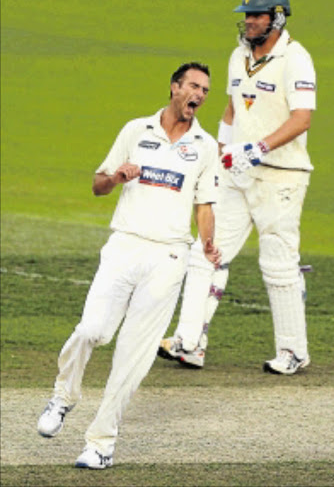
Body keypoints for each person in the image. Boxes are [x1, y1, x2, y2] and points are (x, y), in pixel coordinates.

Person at [37, 62, 221, 469]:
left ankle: (100, 443)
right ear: (175, 88)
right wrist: (118, 176)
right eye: (194, 86)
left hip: (169, 256)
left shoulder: (206, 147)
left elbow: (204, 205)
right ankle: (63, 396)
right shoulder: (136, 130)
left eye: (206, 90)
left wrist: (208, 243)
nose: (200, 95)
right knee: (92, 331)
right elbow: (98, 184)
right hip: (124, 245)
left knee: (132, 357)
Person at [158, 0, 316, 375]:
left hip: (281, 177)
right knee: (205, 252)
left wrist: (257, 148)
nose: (248, 22)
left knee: (277, 263)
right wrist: (224, 149)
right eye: (246, 15)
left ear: (276, 18)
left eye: (256, 16)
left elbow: (302, 118)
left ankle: (293, 351)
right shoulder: (238, 56)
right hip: (237, 174)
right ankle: (189, 342)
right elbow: (231, 108)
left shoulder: (296, 59)